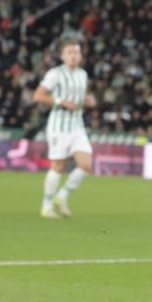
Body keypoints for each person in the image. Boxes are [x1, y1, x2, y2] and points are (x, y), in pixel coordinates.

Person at [32, 38, 97, 218]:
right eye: (69, 52)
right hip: (58, 127)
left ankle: (62, 196)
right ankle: (46, 206)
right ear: (62, 56)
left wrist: (87, 100)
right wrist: (61, 101)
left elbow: (79, 97)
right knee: (58, 166)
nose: (74, 56)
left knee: (86, 164)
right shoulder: (55, 74)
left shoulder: (82, 75)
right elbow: (37, 96)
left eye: (76, 52)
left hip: (77, 126)